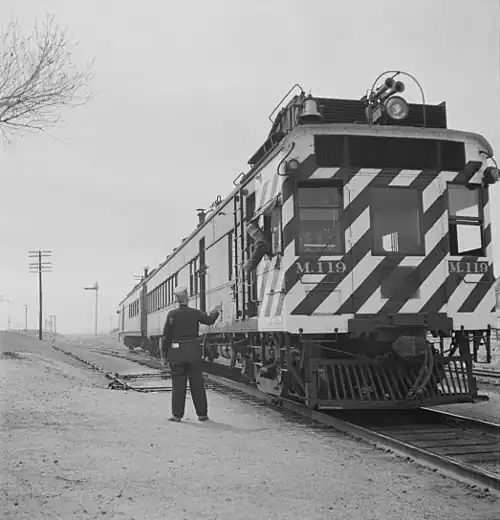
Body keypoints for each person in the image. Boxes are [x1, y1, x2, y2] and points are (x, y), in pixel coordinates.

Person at [162, 286, 221, 422]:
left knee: (178, 384)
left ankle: (177, 415)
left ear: (176, 299)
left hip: (177, 352)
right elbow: (209, 320)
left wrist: (164, 356)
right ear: (187, 298)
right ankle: (202, 415)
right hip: (193, 351)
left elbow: (166, 337)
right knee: (197, 383)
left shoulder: (172, 314)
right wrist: (215, 312)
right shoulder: (195, 313)